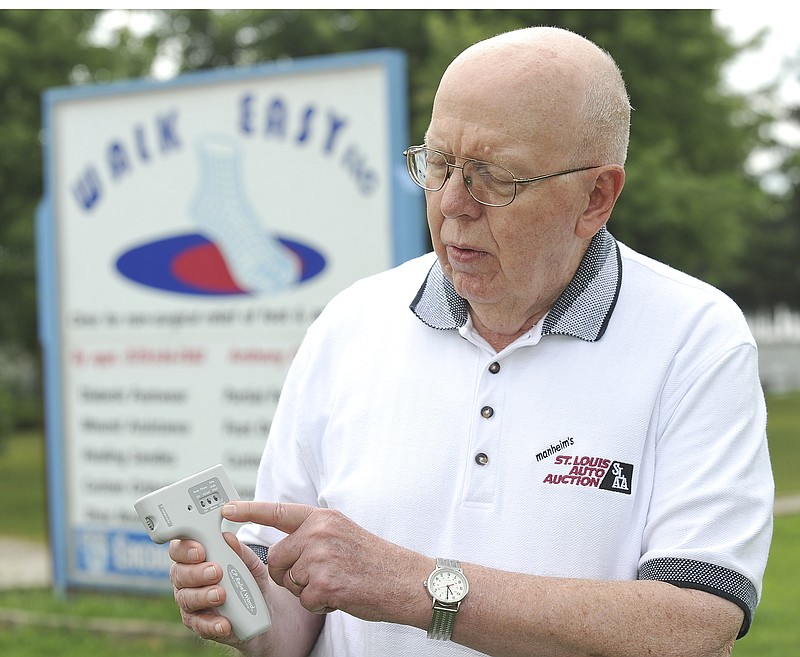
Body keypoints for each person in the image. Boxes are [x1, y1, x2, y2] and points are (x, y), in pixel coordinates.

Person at [169, 26, 774, 657]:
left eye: (496, 175)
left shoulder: (695, 337)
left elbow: (696, 621)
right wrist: (240, 600)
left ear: (597, 196)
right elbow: (292, 623)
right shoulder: (351, 323)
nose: (453, 202)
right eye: (438, 164)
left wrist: (421, 589)